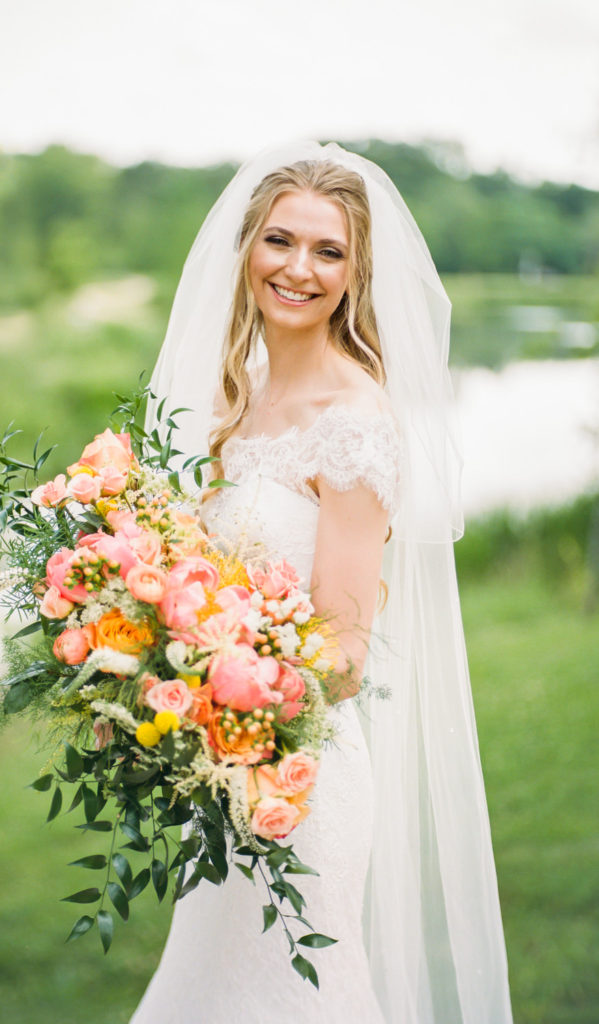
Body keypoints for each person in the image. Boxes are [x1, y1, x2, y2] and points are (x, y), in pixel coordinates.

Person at [130, 142, 513, 1023]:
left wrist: (219, 693)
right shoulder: (240, 397)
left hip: (298, 781)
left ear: (354, 274)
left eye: (327, 251)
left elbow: (342, 655)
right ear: (245, 250)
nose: (297, 269)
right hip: (220, 774)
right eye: (279, 241)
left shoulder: (354, 422)